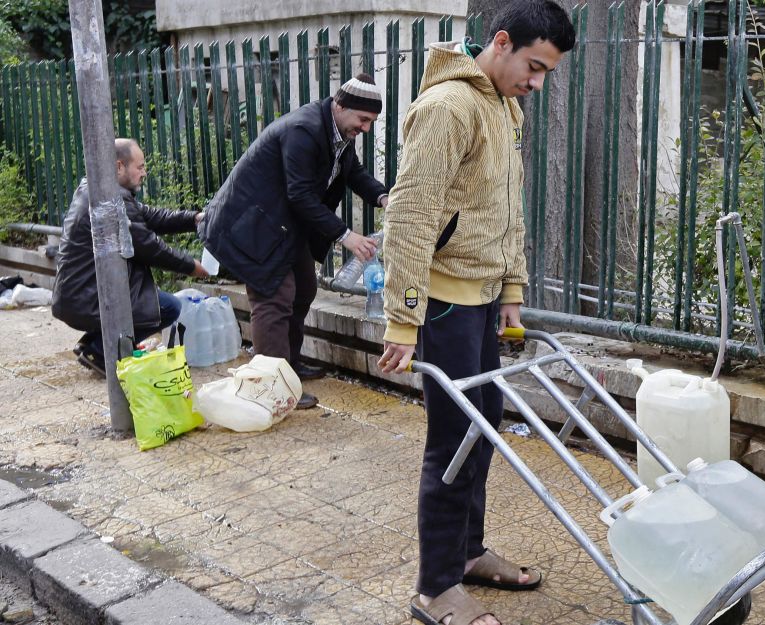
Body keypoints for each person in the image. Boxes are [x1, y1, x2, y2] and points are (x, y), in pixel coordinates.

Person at [375, 1, 575, 623]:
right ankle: (435, 587)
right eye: (534, 66)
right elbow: (410, 213)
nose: (537, 83)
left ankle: (467, 553)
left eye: (547, 73)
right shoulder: (447, 108)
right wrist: (403, 317)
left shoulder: (502, 105)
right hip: (442, 304)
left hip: (483, 297)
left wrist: (511, 289)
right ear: (502, 42)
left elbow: (506, 208)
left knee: (484, 427)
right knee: (454, 438)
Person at [200, 73, 387, 409]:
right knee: (274, 296)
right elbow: (299, 194)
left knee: (303, 288)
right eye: (363, 119)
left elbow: (352, 173)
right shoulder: (304, 129)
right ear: (341, 105)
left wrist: (383, 197)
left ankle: (287, 365)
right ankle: (271, 385)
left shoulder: (339, 130)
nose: (365, 128)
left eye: (371, 122)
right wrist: (346, 236)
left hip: (284, 225)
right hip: (253, 224)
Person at [52, 138, 208, 377]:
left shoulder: (96, 190)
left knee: (150, 297)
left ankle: (94, 344)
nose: (144, 173)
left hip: (76, 296)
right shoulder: (110, 199)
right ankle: (100, 351)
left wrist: (192, 219)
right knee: (167, 307)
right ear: (118, 167)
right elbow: (147, 246)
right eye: (140, 166)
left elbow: (148, 216)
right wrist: (191, 266)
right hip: (86, 299)